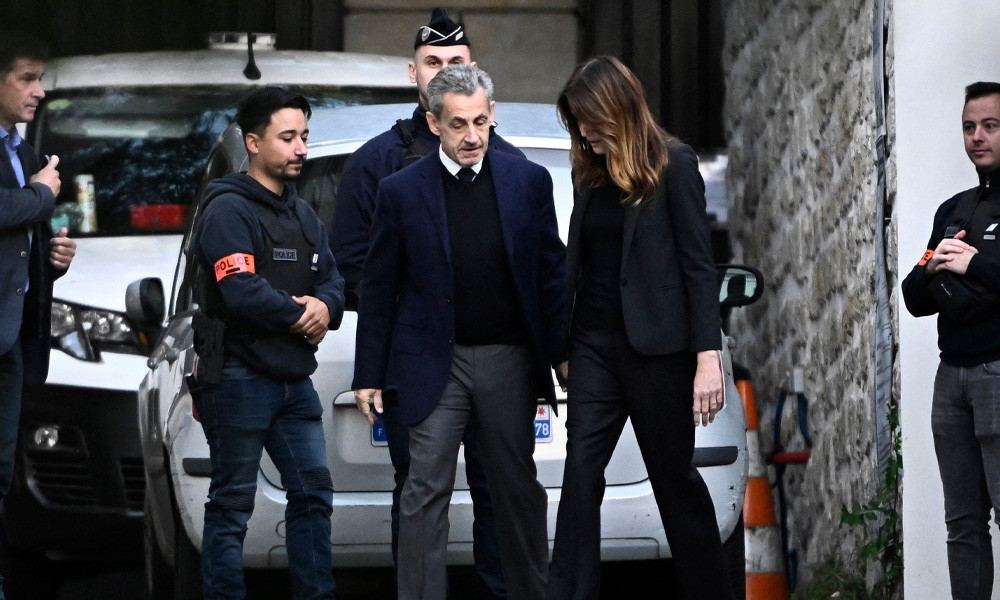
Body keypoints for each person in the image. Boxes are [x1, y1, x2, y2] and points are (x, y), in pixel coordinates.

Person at [352, 64, 565, 600]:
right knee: (424, 490)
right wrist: (368, 373)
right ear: (433, 123)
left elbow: (551, 274)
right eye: (457, 124)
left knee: (516, 489)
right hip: (432, 362)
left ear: (492, 115)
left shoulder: (529, 181)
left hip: (508, 359)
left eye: (480, 122)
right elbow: (379, 286)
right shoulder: (400, 191)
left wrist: (562, 352)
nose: (472, 136)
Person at [331, 8, 522, 598]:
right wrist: (416, 313)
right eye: (432, 62)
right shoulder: (379, 164)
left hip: (497, 357)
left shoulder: (512, 167)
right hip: (417, 360)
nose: (444, 71)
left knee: (503, 491)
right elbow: (358, 269)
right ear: (412, 73)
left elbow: (538, 266)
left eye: (455, 61)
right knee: (419, 490)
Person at [547, 55, 733, 600]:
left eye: (591, 120)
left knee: (674, 480)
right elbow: (581, 262)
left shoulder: (674, 164)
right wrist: (564, 345)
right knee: (581, 475)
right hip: (593, 347)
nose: (584, 131)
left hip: (658, 352)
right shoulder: (589, 171)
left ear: (618, 109)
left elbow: (698, 265)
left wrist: (707, 356)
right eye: (578, 121)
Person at [190, 86, 345, 600]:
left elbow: (334, 280)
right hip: (238, 376)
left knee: (313, 495)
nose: (301, 148)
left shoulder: (303, 214)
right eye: (288, 137)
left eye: (305, 136)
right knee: (232, 505)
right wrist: (302, 315)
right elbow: (240, 289)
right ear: (253, 143)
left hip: (293, 380)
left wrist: (326, 307)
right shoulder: (227, 210)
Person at [901, 81, 1000, 600]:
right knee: (962, 522)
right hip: (951, 382)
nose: (977, 137)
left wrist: (974, 265)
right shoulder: (952, 211)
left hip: (996, 373)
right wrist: (935, 264)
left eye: (990, 126)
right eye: (969, 127)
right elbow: (913, 296)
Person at [0, 31, 75, 598]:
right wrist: (42, 197)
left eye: (40, 78)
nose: (39, 91)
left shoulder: (23, 153)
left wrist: (52, 260)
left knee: (0, 474)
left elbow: (16, 246)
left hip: (11, 340)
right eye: (27, 78)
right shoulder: (34, 170)